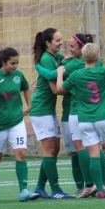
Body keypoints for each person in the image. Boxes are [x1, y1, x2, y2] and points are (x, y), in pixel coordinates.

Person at [56, 43, 105, 198]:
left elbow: (60, 89)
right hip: (103, 117)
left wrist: (60, 73)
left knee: (93, 153)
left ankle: (99, 189)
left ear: (83, 57)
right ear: (98, 56)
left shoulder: (77, 75)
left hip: (84, 120)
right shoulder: (103, 71)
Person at [42, 33, 105, 198]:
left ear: (83, 49)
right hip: (96, 112)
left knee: (79, 150)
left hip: (74, 112)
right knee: (97, 147)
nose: (68, 48)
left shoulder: (72, 66)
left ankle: (87, 185)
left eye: (72, 46)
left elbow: (52, 78)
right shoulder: (98, 63)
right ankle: (103, 184)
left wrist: (41, 67)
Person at [0, 47, 40, 202]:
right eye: (12, 63)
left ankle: (24, 191)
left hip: (17, 122)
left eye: (17, 63)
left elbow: (26, 88)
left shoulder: (18, 76)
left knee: (21, 154)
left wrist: (29, 105)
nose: (15, 66)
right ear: (3, 62)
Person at [29, 28, 72, 199]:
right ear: (47, 43)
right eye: (57, 40)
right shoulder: (45, 59)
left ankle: (40, 187)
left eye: (62, 39)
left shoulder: (55, 57)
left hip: (48, 110)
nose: (61, 43)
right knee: (50, 149)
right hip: (41, 110)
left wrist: (66, 62)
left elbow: (65, 62)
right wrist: (61, 69)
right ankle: (55, 190)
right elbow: (51, 74)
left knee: (53, 149)